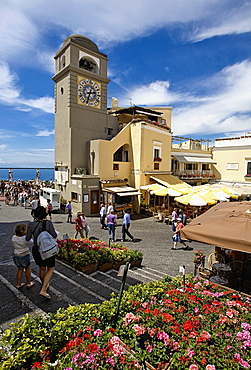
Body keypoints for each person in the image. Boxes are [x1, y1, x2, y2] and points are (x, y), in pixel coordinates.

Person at [26, 206, 57, 299]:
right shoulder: (48, 223)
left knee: (42, 268)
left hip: (37, 249)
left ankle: (45, 285)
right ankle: (43, 289)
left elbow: (27, 238)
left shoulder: (31, 225)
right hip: (48, 248)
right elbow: (54, 235)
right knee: (51, 268)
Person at [12, 224, 34, 289]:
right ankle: (28, 283)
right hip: (24, 255)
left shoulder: (14, 237)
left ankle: (18, 284)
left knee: (20, 269)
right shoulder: (25, 238)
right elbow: (31, 242)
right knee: (27, 269)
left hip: (16, 255)